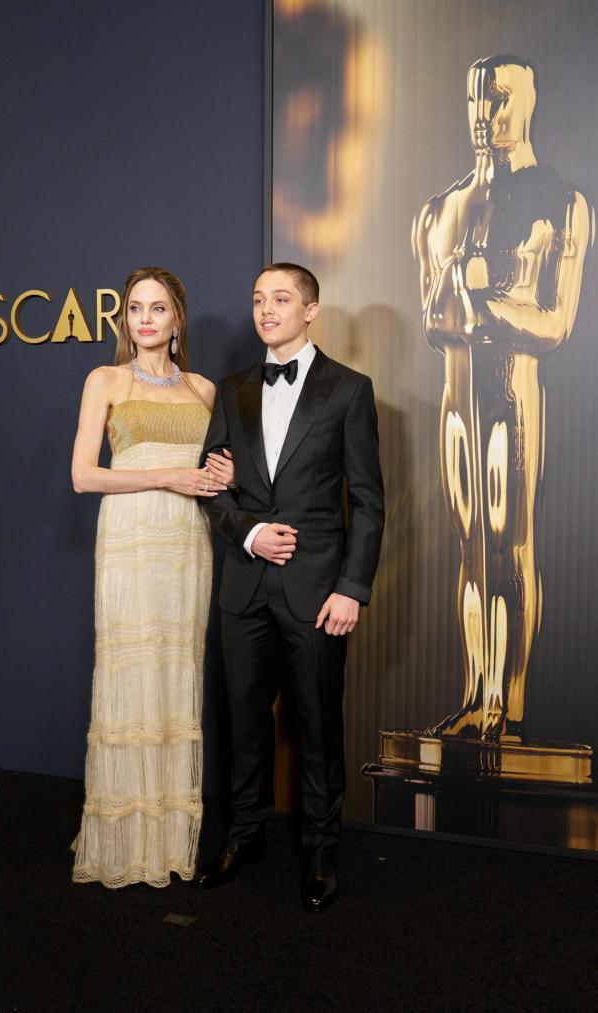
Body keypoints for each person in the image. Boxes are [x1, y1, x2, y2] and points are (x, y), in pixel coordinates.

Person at [194, 263, 384, 911]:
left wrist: (351, 588)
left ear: (310, 310)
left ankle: (320, 848)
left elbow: (367, 500)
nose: (265, 309)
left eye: (281, 299)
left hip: (317, 591)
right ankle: (243, 835)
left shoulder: (349, 390)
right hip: (243, 587)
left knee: (317, 725)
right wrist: (248, 534)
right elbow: (212, 488)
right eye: (257, 299)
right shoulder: (232, 389)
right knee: (242, 721)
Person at [414, 56, 590, 745]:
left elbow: (555, 323)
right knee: (467, 546)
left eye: (500, 98)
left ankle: (503, 707)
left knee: (507, 541)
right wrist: (473, 295)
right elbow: (431, 319)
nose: (484, 115)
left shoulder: (561, 200)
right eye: (475, 99)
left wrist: (476, 300)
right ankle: (472, 695)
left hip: (512, 392)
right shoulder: (440, 208)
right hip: (456, 398)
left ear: (530, 101)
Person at [70, 266, 234, 888]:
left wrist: (219, 479)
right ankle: (120, 835)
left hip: (186, 542)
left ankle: (169, 836)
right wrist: (166, 476)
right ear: (124, 320)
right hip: (131, 537)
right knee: (129, 672)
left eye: (157, 308)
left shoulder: (203, 390)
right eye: (135, 308)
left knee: (176, 670)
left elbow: (221, 473)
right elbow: (85, 475)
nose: (144, 319)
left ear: (176, 319)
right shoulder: (105, 379)